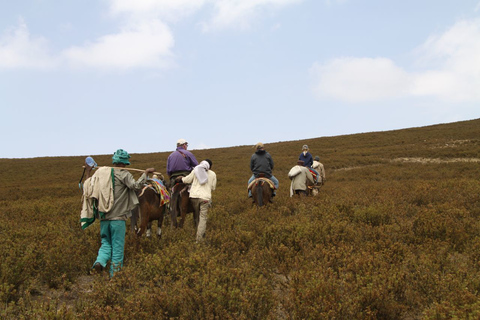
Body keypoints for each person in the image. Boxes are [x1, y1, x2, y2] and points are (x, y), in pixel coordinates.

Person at [85, 149, 155, 277]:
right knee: (117, 248)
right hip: (118, 219)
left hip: (104, 218)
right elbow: (135, 186)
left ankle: (99, 262)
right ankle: (115, 278)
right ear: (124, 163)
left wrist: (89, 171)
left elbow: (87, 186)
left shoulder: (101, 174)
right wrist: (145, 174)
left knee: (105, 243)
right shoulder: (124, 174)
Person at [179, 159, 217, 243]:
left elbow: (186, 180)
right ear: (210, 167)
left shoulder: (196, 170)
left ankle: (196, 231)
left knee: (196, 215)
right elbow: (213, 187)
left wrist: (181, 178)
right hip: (205, 199)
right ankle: (199, 239)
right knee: (203, 218)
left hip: (194, 197)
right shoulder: (213, 174)